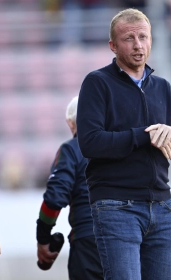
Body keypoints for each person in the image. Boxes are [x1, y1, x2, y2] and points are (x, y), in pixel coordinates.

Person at [76, 8, 171, 280]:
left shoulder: (163, 87)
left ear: (152, 40)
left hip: (162, 207)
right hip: (116, 206)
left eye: (143, 37)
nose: (138, 44)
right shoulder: (97, 83)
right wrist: (146, 135)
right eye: (129, 38)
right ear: (113, 46)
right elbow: (90, 143)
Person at [36, 96, 103, 280]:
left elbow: (55, 198)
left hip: (88, 243)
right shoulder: (122, 146)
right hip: (129, 241)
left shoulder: (72, 149)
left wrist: (42, 237)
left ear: (71, 123)